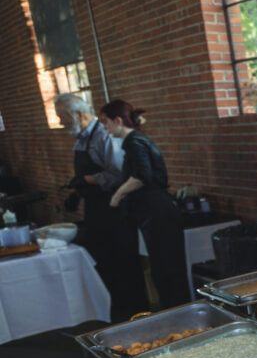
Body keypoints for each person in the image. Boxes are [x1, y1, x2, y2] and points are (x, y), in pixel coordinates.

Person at [54, 93, 148, 322]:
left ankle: (136, 315)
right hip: (95, 209)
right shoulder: (81, 139)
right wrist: (77, 191)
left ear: (79, 114)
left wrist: (87, 181)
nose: (60, 122)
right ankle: (111, 314)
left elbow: (118, 175)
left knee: (124, 263)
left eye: (62, 117)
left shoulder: (104, 137)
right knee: (103, 262)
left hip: (115, 210)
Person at [99, 99, 190, 310]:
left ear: (118, 120)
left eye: (105, 122)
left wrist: (117, 196)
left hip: (157, 211)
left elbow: (141, 176)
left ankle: (181, 321)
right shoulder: (137, 141)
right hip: (156, 211)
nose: (104, 127)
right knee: (165, 269)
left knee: (167, 270)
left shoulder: (134, 142)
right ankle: (178, 317)